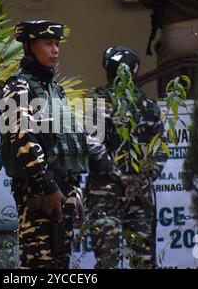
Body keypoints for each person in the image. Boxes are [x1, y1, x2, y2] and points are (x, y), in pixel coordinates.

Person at [0, 20, 89, 269]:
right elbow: (22, 139)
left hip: (63, 196)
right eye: (48, 44)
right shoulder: (16, 88)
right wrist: (48, 187)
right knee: (38, 264)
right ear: (28, 47)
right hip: (36, 195)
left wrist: (74, 192)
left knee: (60, 265)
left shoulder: (56, 90)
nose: (55, 50)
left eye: (57, 44)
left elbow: (68, 145)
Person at [85, 46, 167, 268]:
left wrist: (125, 179)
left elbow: (93, 147)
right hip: (137, 192)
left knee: (108, 260)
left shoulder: (96, 103)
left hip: (106, 193)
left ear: (107, 70)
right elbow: (160, 151)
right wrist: (142, 181)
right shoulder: (148, 107)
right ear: (135, 71)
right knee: (142, 261)